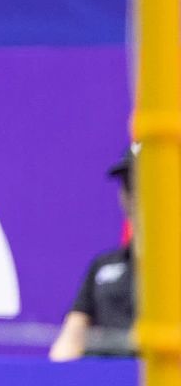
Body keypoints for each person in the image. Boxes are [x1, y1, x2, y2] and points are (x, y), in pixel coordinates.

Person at [49, 144, 138, 361]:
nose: (138, 196)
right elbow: (68, 343)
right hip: (103, 377)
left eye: (152, 184)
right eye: (131, 185)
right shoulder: (102, 267)